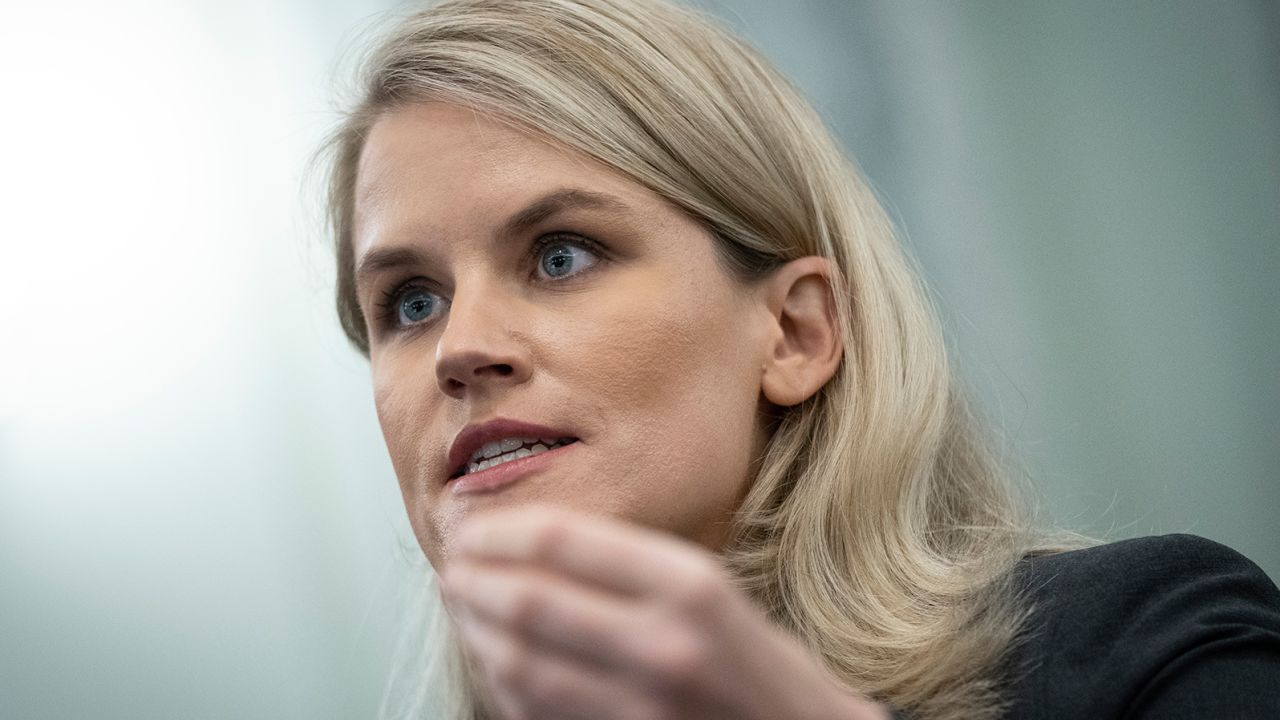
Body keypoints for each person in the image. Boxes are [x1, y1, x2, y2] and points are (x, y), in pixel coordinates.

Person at [319, 0, 1280, 718]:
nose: (462, 348)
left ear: (796, 333)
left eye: (561, 254)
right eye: (410, 302)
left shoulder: (1152, 645)